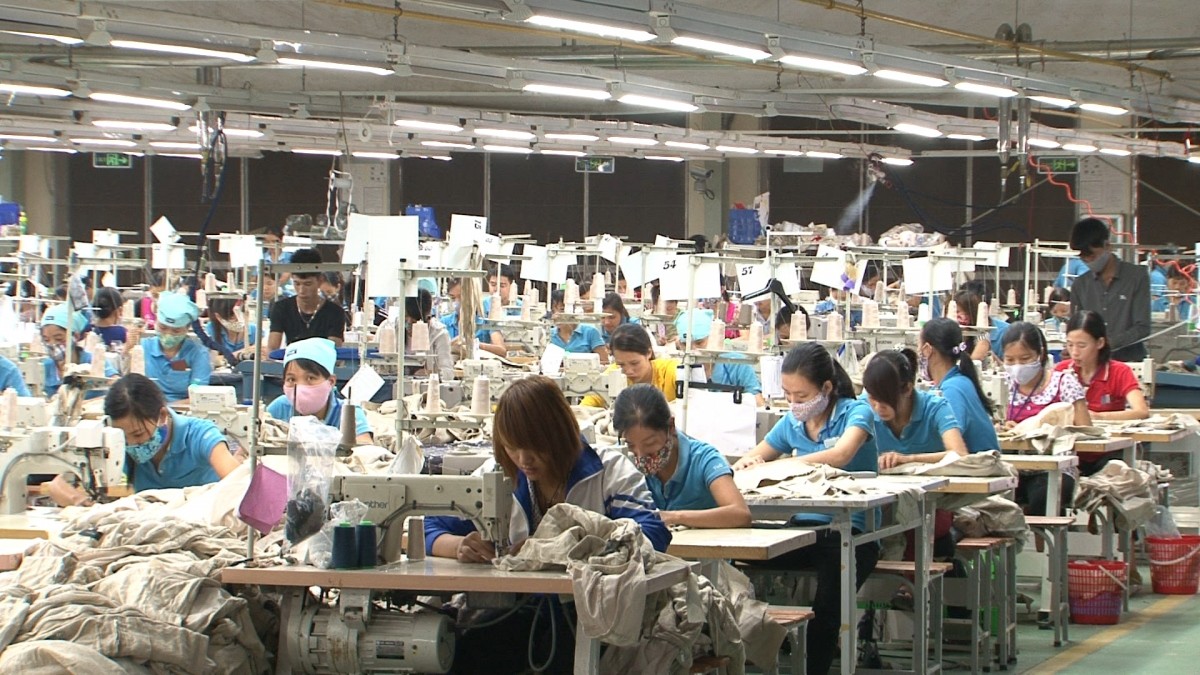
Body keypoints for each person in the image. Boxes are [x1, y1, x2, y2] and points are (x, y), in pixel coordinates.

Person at [424, 376, 669, 675]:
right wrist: (458, 546)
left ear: (561, 433)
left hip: (594, 611)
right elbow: (430, 526)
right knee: (460, 657)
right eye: (512, 447)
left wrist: (551, 550)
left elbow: (651, 535)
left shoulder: (609, 472)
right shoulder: (497, 476)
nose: (524, 460)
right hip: (519, 608)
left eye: (536, 447)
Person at [730, 342, 879, 675]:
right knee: (730, 556)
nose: (793, 403)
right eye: (787, 395)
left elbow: (841, 455)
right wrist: (750, 464)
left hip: (854, 534)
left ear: (826, 388)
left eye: (801, 396)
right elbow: (751, 459)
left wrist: (784, 465)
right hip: (804, 531)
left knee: (827, 608)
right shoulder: (792, 423)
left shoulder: (856, 413)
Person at [612, 384, 750, 528]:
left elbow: (740, 514)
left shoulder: (703, 460)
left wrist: (674, 517)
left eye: (650, 443)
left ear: (671, 426)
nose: (640, 456)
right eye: (631, 445)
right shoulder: (621, 460)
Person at [1001, 321, 1090, 515]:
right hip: (1010, 465)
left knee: (1043, 498)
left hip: (1053, 468)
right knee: (990, 500)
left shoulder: (1064, 383)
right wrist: (999, 428)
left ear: (1040, 354)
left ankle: (1042, 534)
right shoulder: (1002, 384)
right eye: (1010, 360)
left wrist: (1046, 430)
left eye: (1025, 359)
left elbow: (1086, 431)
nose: (1017, 366)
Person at [105, 373, 239, 492]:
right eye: (124, 438)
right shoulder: (119, 445)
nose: (131, 444)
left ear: (162, 415)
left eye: (138, 434)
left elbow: (238, 486)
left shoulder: (200, 435)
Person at [862, 349, 968, 469]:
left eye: (885, 399)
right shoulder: (863, 408)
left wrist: (909, 459)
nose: (877, 406)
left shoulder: (935, 408)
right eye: (872, 398)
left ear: (907, 389)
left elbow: (959, 454)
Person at [1068, 217, 1150, 362]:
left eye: (1092, 256)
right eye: (1083, 258)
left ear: (1107, 246)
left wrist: (1108, 344)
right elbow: (1076, 328)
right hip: (1093, 364)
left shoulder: (1137, 277)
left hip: (1129, 362)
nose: (1088, 261)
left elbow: (1142, 327)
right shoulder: (1080, 285)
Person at [265, 338, 372, 443]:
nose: (300, 387)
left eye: (310, 378)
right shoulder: (280, 408)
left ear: (331, 381)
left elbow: (366, 448)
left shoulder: (349, 413)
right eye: (291, 379)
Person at [919, 318, 999, 453]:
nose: (919, 353)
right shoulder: (959, 382)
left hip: (973, 465)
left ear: (927, 349)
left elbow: (954, 450)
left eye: (919, 347)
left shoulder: (953, 389)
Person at [132, 293, 211, 402]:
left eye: (176, 331)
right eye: (163, 328)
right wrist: (127, 349)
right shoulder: (143, 347)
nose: (168, 334)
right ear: (156, 322)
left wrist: (167, 409)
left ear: (187, 328)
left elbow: (197, 396)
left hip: (182, 409)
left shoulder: (198, 354)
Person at [675, 308, 764, 406]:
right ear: (679, 344)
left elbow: (758, 403)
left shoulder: (738, 365)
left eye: (699, 343)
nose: (693, 350)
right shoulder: (678, 368)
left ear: (712, 338)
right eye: (685, 344)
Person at [580, 323, 677, 408]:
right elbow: (585, 407)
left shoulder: (671, 371)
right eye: (621, 364)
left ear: (648, 353)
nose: (629, 371)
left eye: (634, 363)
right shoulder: (612, 374)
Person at [267, 248, 346, 349]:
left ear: (320, 280)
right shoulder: (281, 308)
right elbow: (272, 349)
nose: (301, 290)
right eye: (297, 283)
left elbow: (333, 350)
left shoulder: (335, 312)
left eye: (308, 284)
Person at [40, 304, 115, 397]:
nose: (52, 344)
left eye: (58, 339)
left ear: (75, 336)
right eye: (46, 340)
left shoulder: (93, 361)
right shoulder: (44, 367)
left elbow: (116, 383)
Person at [405, 289, 454, 381]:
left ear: (428, 318)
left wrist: (430, 374)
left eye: (414, 322)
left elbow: (448, 373)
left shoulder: (440, 334)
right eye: (406, 319)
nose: (409, 324)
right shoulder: (394, 329)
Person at [548, 289, 609, 363]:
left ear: (573, 309)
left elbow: (605, 361)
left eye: (562, 310)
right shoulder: (549, 335)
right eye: (553, 311)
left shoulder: (590, 332)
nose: (556, 315)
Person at [954, 289, 1009, 365]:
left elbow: (976, 358)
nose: (959, 316)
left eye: (958, 312)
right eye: (955, 312)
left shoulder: (982, 334)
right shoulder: (950, 333)